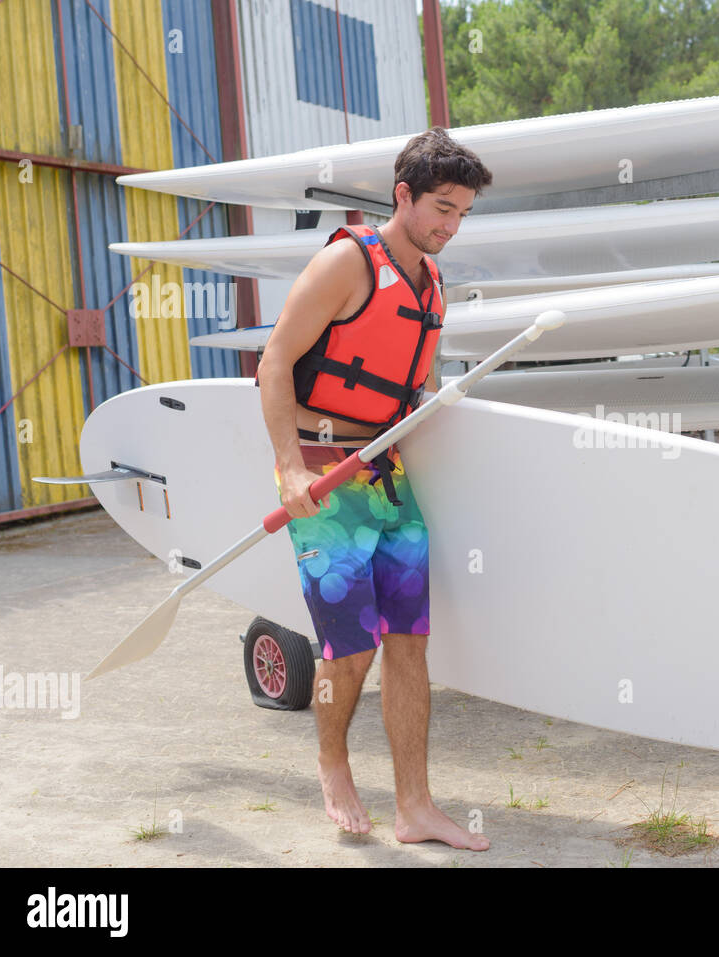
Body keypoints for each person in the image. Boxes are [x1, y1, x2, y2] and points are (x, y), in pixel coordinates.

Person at [257, 127, 493, 850]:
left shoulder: (433, 287)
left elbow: (410, 387)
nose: (451, 226)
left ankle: (415, 806)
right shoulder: (347, 263)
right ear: (404, 195)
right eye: (441, 209)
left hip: (386, 478)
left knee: (410, 644)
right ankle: (333, 762)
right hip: (324, 477)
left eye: (462, 214)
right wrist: (290, 467)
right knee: (348, 649)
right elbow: (274, 363)